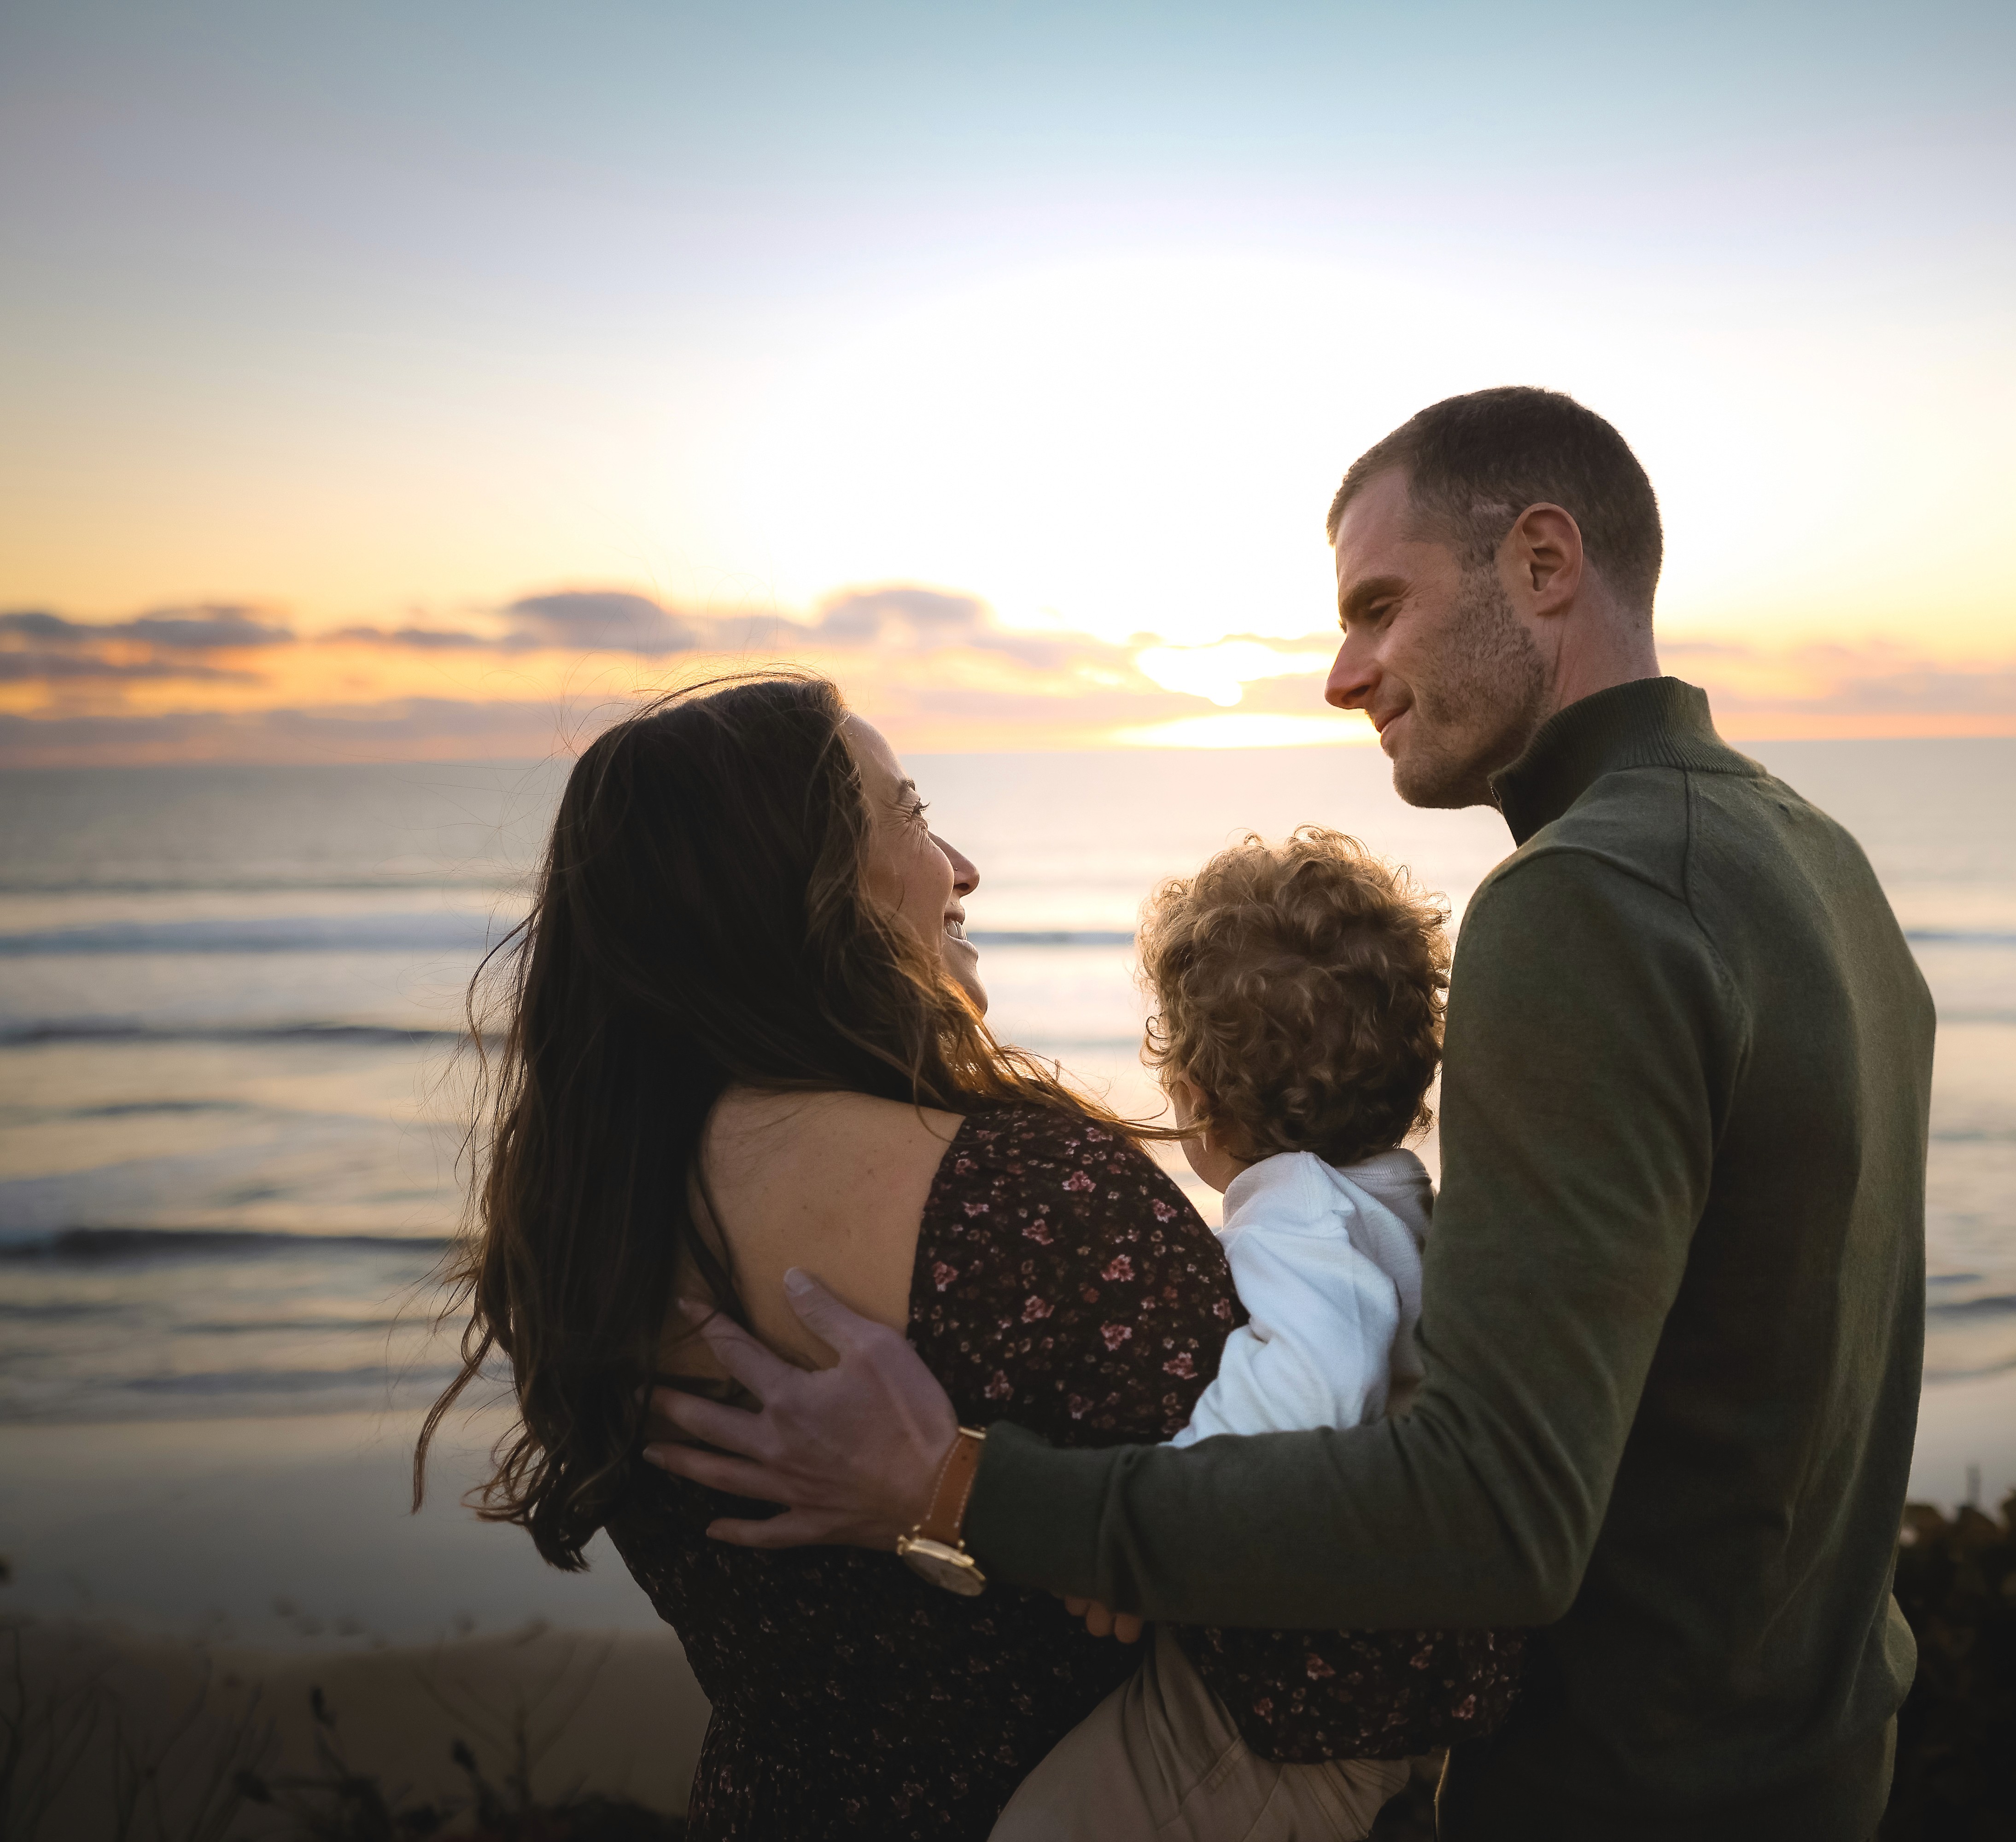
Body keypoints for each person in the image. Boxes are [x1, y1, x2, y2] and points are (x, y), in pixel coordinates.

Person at [651, 387, 1938, 1838]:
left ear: (1543, 563)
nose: (1344, 673)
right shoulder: (1813, 860)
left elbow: (1496, 1517)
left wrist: (957, 1489)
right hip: (1817, 1758)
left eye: (1380, 607)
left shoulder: (1584, 903)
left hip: (1632, 1787)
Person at [418, 674, 1512, 1841]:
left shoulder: (586, 1225)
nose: (962, 865)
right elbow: (1357, 1637)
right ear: (813, 885)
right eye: (913, 812)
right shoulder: (1018, 1204)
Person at [994, 828, 1503, 1838]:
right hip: (1390, 1683)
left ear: (1197, 1098)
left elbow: (1313, 1381)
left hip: (1284, 1715)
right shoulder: (1397, 1197)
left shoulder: (1296, 1209)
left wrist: (1148, 1524)